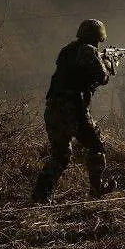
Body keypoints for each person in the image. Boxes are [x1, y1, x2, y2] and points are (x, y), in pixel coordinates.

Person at [31, 19, 118, 203]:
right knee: (96, 146)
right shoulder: (89, 51)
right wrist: (110, 64)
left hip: (54, 107)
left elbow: (79, 74)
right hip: (74, 109)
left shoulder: (67, 50)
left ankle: (41, 195)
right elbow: (102, 77)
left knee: (60, 155)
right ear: (98, 37)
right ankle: (97, 188)